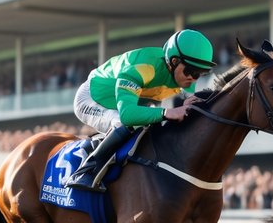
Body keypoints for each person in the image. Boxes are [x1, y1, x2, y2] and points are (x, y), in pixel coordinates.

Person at [65, 27, 214, 190]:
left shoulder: (183, 76)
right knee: (123, 124)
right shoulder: (142, 68)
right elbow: (128, 115)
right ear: (174, 62)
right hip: (91, 98)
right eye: (191, 71)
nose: (193, 78)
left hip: (128, 100)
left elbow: (190, 98)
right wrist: (166, 112)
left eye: (199, 73)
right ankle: (87, 171)